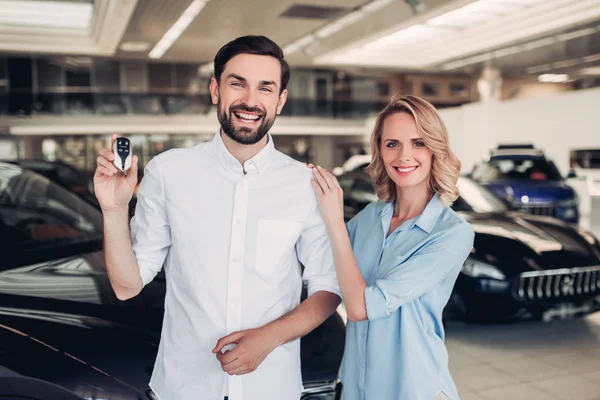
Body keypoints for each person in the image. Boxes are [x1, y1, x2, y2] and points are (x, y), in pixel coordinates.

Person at [93, 35, 341, 400]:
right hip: (183, 388)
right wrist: (113, 209)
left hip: (271, 388)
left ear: (281, 100)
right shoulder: (168, 172)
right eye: (237, 83)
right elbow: (126, 285)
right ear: (215, 89)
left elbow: (328, 289)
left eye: (265, 88)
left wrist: (268, 338)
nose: (250, 101)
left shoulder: (306, 184)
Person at [310, 94, 475, 400]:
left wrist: (334, 220)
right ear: (380, 151)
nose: (404, 156)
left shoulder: (452, 233)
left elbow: (361, 307)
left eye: (418, 142)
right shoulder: (370, 218)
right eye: (392, 144)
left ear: (435, 148)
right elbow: (326, 273)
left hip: (415, 388)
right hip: (355, 386)